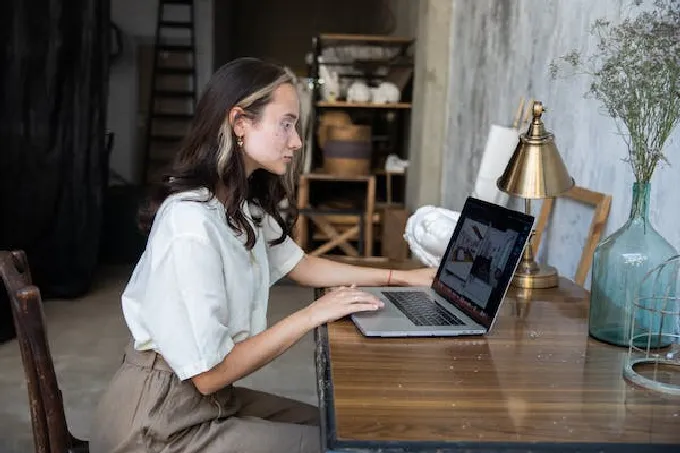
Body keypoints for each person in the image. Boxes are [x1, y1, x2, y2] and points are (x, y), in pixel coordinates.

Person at [90, 57, 435, 453]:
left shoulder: (237, 204)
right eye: (285, 124)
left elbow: (301, 265)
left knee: (344, 428)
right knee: (347, 446)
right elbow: (208, 374)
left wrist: (402, 277)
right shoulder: (191, 225)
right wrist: (310, 316)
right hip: (157, 421)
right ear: (240, 122)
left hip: (202, 401)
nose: (297, 142)